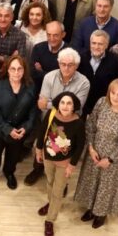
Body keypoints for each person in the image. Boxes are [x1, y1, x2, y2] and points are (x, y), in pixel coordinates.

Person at [74, 79, 118, 229]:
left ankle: (101, 214)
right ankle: (91, 209)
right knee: (91, 183)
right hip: (94, 153)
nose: (115, 97)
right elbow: (90, 126)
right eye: (113, 93)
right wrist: (90, 147)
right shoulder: (102, 103)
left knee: (105, 187)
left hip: (112, 159)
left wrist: (110, 159)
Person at [25, 47, 91, 186]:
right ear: (58, 63)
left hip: (70, 125)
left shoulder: (84, 82)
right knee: (42, 145)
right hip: (48, 121)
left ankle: (62, 183)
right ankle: (37, 169)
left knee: (64, 153)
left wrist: (51, 104)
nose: (66, 68)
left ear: (76, 65)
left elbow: (76, 108)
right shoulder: (49, 77)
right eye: (63, 64)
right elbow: (41, 105)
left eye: (70, 65)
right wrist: (64, 106)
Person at [35, 92, 86, 236]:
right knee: (50, 182)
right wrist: (38, 150)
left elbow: (80, 146)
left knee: (58, 191)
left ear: (74, 106)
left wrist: (72, 165)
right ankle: (51, 203)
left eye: (69, 103)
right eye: (63, 102)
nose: (65, 106)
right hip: (48, 158)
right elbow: (41, 133)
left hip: (64, 164)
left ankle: (50, 220)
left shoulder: (78, 123)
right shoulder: (52, 115)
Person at [0, 55, 37, 190]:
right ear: (7, 70)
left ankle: (9, 173)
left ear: (24, 70)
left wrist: (26, 127)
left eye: (19, 69)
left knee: (13, 154)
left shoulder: (30, 86)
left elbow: (33, 111)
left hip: (19, 129)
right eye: (12, 69)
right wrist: (7, 129)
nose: (16, 72)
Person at [78, 30, 118, 116]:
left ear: (106, 45)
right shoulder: (81, 57)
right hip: (83, 103)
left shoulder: (115, 61)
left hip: (105, 105)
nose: (96, 46)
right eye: (94, 43)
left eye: (100, 44)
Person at [29, 20, 67, 90]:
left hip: (59, 91)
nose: (51, 39)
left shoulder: (70, 52)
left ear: (63, 34)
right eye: (49, 35)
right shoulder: (38, 48)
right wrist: (55, 75)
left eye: (55, 35)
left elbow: (64, 78)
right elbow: (32, 73)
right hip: (38, 89)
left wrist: (41, 72)